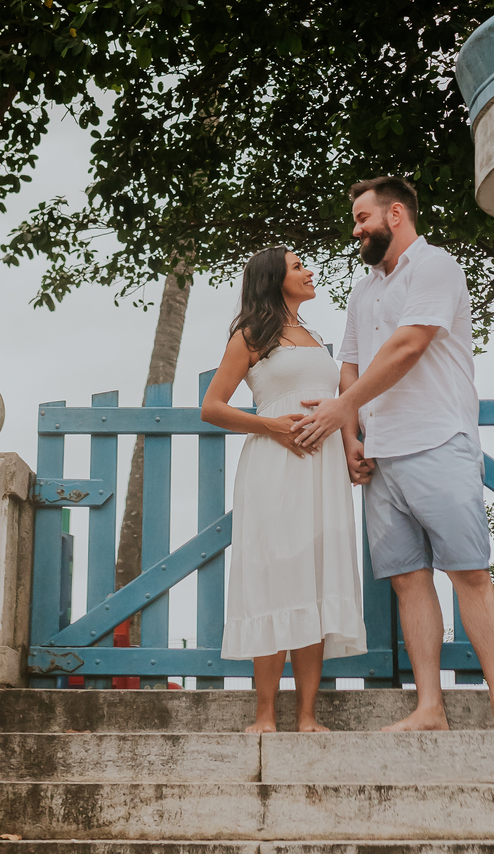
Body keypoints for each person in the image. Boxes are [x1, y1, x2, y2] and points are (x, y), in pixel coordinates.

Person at [294, 176, 494, 733]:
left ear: (396, 215)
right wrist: (351, 434)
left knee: (469, 573)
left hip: (438, 440)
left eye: (362, 218)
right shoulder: (364, 290)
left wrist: (339, 410)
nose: (355, 229)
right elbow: (350, 366)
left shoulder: (435, 267)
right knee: (408, 580)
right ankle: (429, 707)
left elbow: (410, 344)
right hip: (381, 456)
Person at [201, 245, 366, 732]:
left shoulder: (314, 337)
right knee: (275, 580)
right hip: (275, 468)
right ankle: (266, 715)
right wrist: (272, 426)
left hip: (323, 470)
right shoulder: (251, 335)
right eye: (298, 267)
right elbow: (212, 407)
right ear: (275, 279)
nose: (309, 271)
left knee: (314, 579)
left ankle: (309, 715)